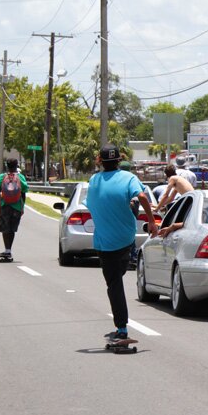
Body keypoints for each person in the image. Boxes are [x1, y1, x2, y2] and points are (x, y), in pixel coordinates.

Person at [88, 145, 159, 341]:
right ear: (119, 160)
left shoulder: (94, 180)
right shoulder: (129, 178)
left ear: (100, 161)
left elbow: (94, 204)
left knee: (114, 284)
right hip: (126, 240)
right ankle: (121, 324)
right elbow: (143, 196)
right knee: (117, 276)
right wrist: (151, 221)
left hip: (104, 243)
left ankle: (121, 328)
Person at [0, 158, 29, 261]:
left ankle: (7, 249)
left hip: (5, 206)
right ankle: (9, 250)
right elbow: (23, 193)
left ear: (6, 165)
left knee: (5, 228)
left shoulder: (2, 177)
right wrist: (22, 207)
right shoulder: (21, 177)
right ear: (16, 165)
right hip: (16, 206)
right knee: (12, 229)